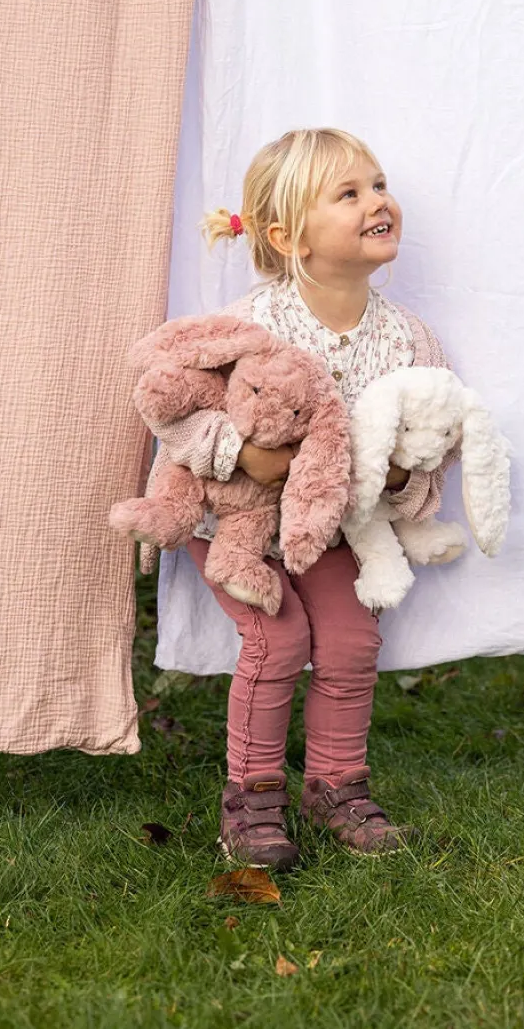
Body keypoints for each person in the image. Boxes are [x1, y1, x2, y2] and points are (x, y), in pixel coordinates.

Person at [142, 126, 452, 869]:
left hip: (329, 528)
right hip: (233, 521)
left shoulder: (408, 341)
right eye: (349, 193)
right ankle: (250, 798)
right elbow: (173, 410)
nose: (378, 202)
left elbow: (433, 437)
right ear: (289, 237)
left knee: (349, 642)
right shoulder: (250, 327)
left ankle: (335, 786)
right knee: (278, 641)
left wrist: (402, 480)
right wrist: (242, 454)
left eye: (379, 185)